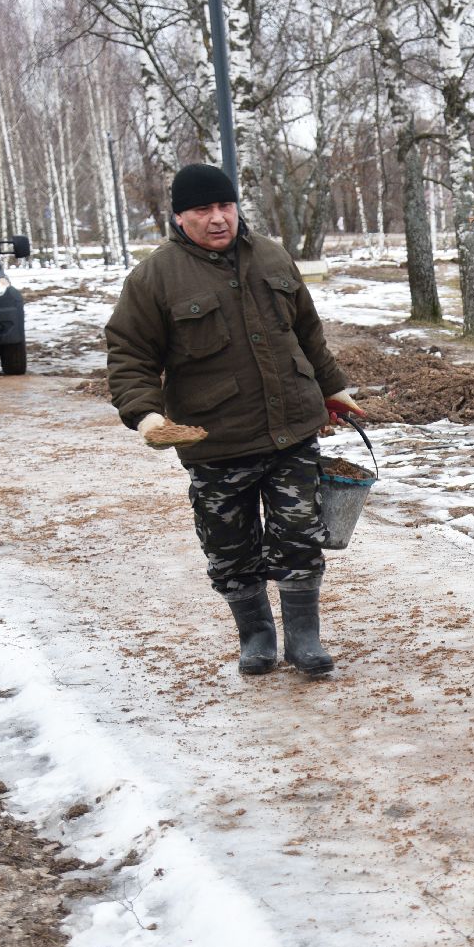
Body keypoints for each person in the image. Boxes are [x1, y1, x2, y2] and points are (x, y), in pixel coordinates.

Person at [105, 163, 365, 677]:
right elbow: (129, 355)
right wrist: (147, 416)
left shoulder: (271, 255)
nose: (218, 219)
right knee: (229, 547)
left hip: (290, 431)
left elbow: (308, 333)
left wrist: (333, 391)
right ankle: (256, 637)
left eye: (225, 206)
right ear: (180, 217)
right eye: (203, 210)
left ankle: (304, 640)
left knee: (299, 535)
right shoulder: (155, 278)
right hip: (215, 441)